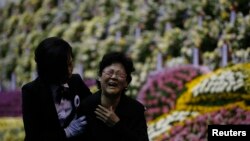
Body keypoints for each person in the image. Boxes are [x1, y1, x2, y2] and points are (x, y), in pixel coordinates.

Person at [22, 37, 92, 141]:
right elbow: (34, 135)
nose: (71, 69)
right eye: (66, 66)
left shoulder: (75, 81)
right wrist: (67, 132)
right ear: (52, 70)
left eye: (71, 62)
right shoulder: (31, 92)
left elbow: (92, 105)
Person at [79, 51, 149, 141]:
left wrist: (117, 125)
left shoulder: (136, 110)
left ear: (126, 82)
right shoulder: (87, 106)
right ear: (99, 76)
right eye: (109, 72)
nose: (114, 77)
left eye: (120, 74)